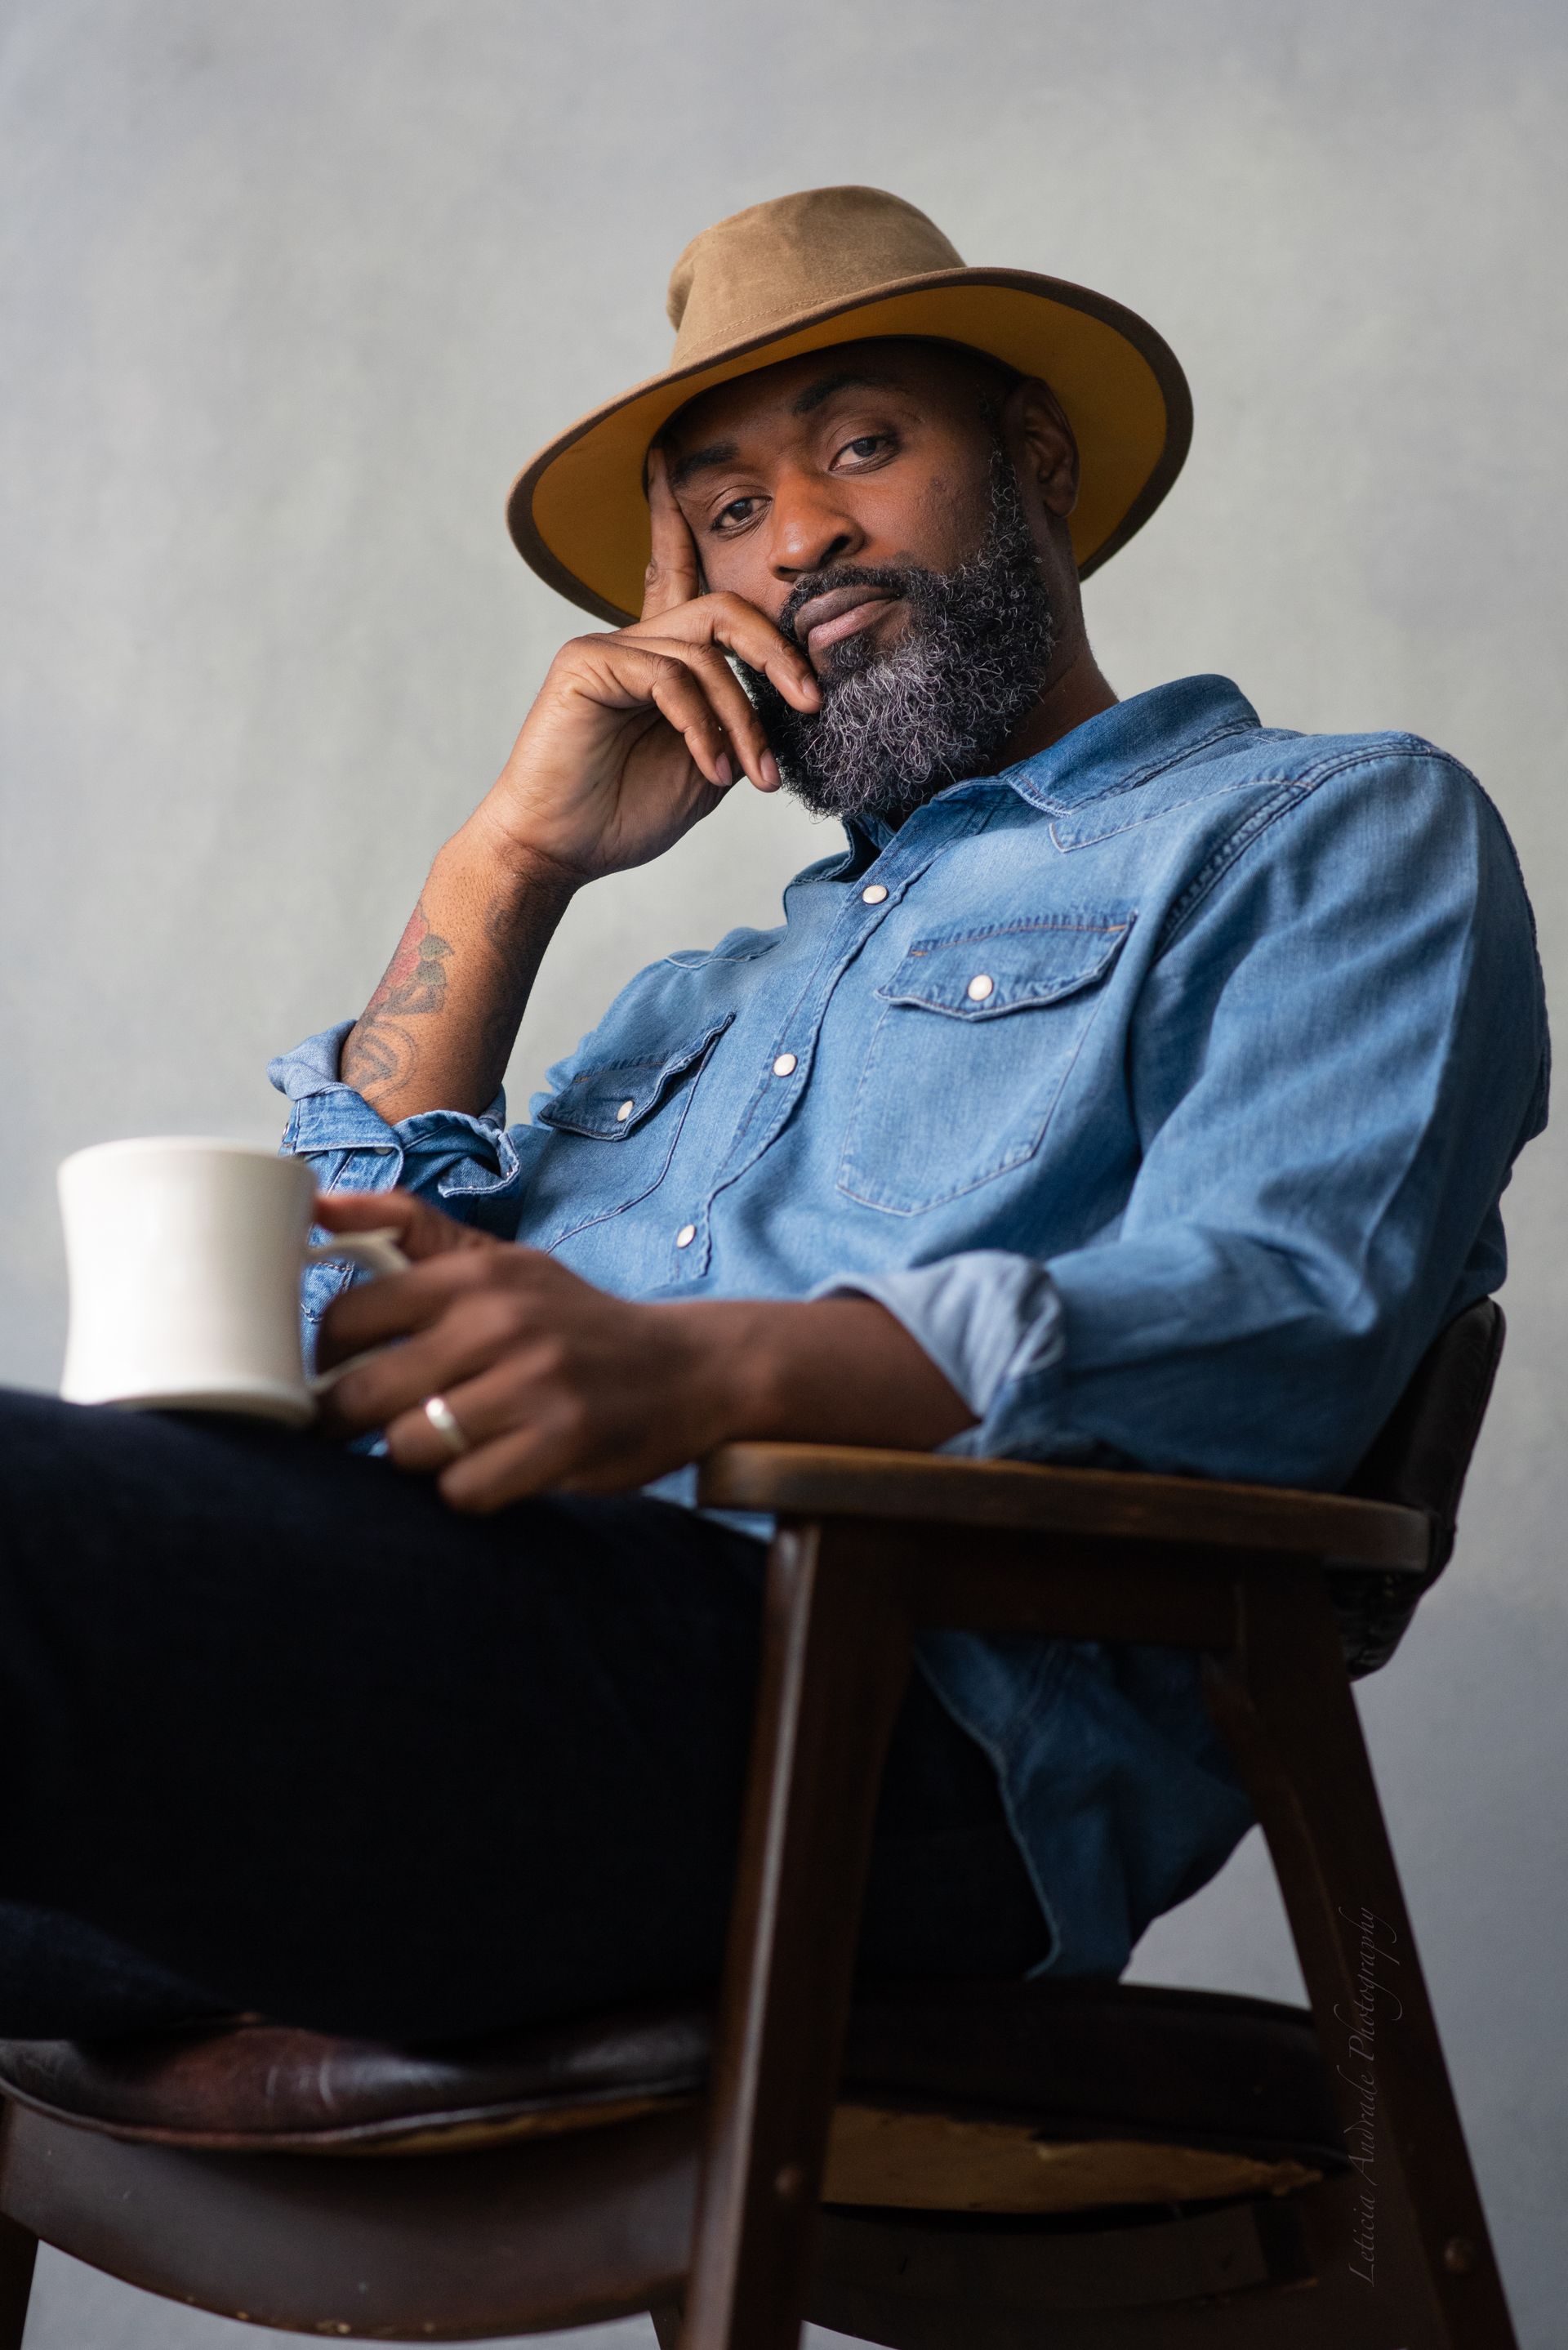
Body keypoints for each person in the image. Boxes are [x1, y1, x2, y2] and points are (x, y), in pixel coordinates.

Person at [0, 187, 1547, 2045]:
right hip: (447, 1686)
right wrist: (507, 864)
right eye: (730, 508)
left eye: (864, 448)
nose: (800, 532)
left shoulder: (1325, 830)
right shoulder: (699, 1000)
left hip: (882, 1739)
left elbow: (1280, 1312)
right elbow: (312, 1328)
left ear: (1035, 459)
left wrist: (709, 1373)